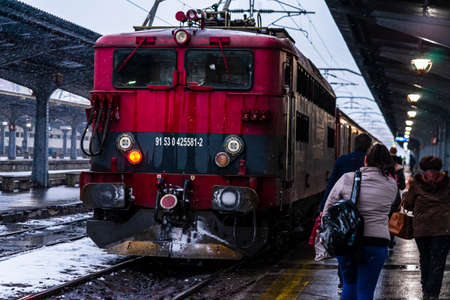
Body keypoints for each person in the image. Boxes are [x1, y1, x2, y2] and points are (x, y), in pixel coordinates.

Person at [323, 144, 398, 300]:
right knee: (366, 290)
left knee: (349, 284)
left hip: (348, 241)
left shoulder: (347, 178)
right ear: (386, 162)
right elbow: (391, 207)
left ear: (365, 160)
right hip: (377, 242)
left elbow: (328, 209)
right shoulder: (391, 184)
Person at [319, 133, 372, 293]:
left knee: (344, 244)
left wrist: (323, 208)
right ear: (369, 147)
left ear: (354, 144)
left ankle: (344, 281)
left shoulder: (343, 160)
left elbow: (332, 185)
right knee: (361, 247)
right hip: (365, 213)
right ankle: (357, 282)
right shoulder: (370, 163)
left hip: (344, 213)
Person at [403, 156, 450, 300]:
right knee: (438, 261)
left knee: (425, 258)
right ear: (439, 167)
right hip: (443, 229)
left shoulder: (416, 183)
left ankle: (426, 291)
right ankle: (433, 293)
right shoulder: (447, 183)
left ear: (423, 167)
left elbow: (409, 204)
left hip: (422, 229)